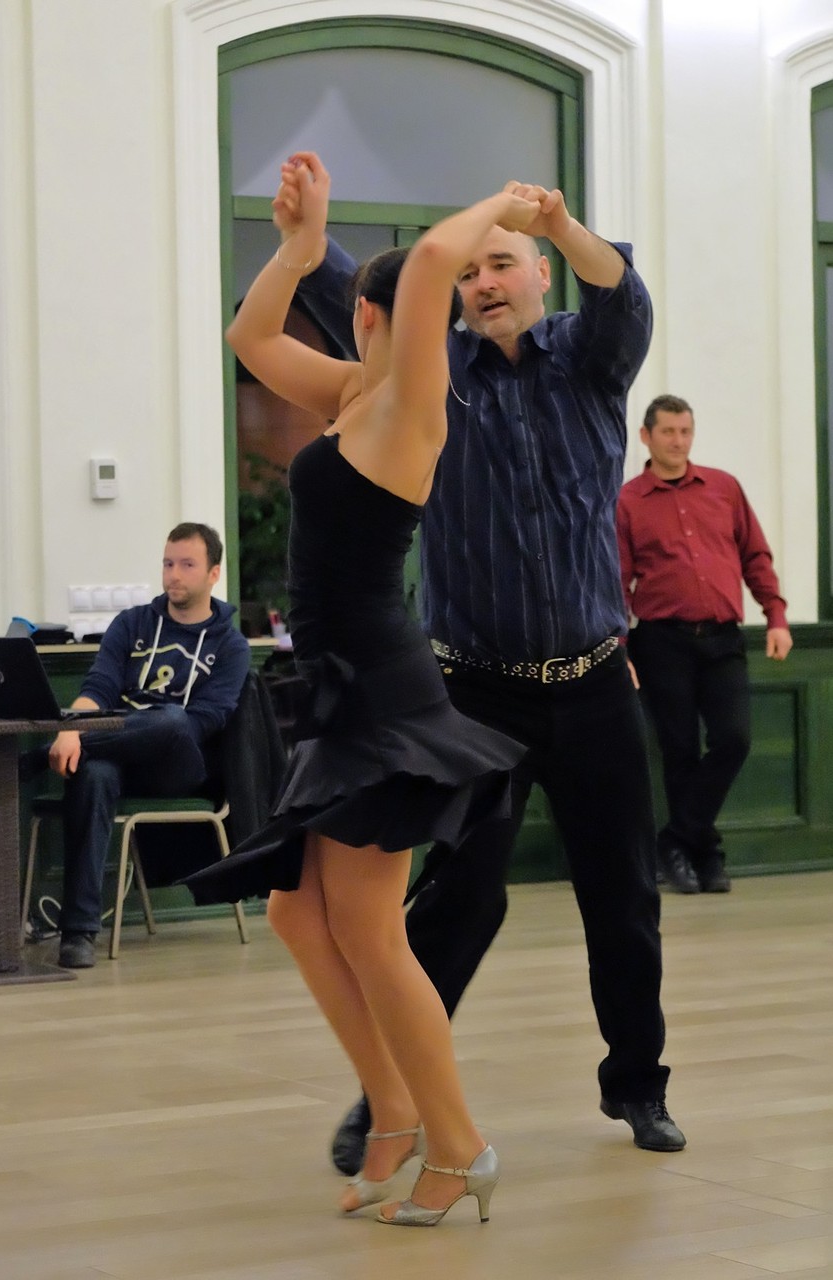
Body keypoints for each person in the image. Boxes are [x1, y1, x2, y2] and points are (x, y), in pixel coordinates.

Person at [271, 164, 686, 1171]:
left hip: (594, 680)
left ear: (540, 274)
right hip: (471, 692)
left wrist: (558, 220)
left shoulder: (591, 362)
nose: (483, 283)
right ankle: (393, 1096)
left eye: (503, 266)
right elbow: (376, 296)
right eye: (471, 272)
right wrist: (309, 241)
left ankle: (637, 1083)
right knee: (458, 899)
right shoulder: (432, 373)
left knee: (622, 895)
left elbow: (621, 291)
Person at [186, 152, 534, 1228]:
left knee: (372, 931)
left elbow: (429, 264)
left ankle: (458, 1146)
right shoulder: (351, 395)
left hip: (381, 691)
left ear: (370, 315)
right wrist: (297, 249)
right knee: (299, 913)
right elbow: (249, 338)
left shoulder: (411, 409)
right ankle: (392, 1112)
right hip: (336, 687)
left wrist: (508, 204)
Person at [38, 523, 250, 969]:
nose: (174, 575)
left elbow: (206, 721)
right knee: (93, 773)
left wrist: (84, 735)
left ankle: (35, 760)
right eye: (168, 563)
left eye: (187, 565)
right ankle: (78, 933)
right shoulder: (132, 623)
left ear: (214, 573)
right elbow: (97, 689)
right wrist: (71, 729)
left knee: (172, 721)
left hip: (181, 762)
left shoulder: (230, 645)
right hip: (118, 752)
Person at [617, 395, 792, 894]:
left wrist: (776, 616)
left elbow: (755, 555)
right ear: (646, 436)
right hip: (661, 643)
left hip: (722, 638)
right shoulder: (628, 501)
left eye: (686, 431)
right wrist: (620, 649)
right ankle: (706, 856)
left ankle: (674, 841)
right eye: (668, 432)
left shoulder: (724, 488)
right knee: (679, 751)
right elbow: (616, 580)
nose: (679, 442)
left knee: (734, 739)